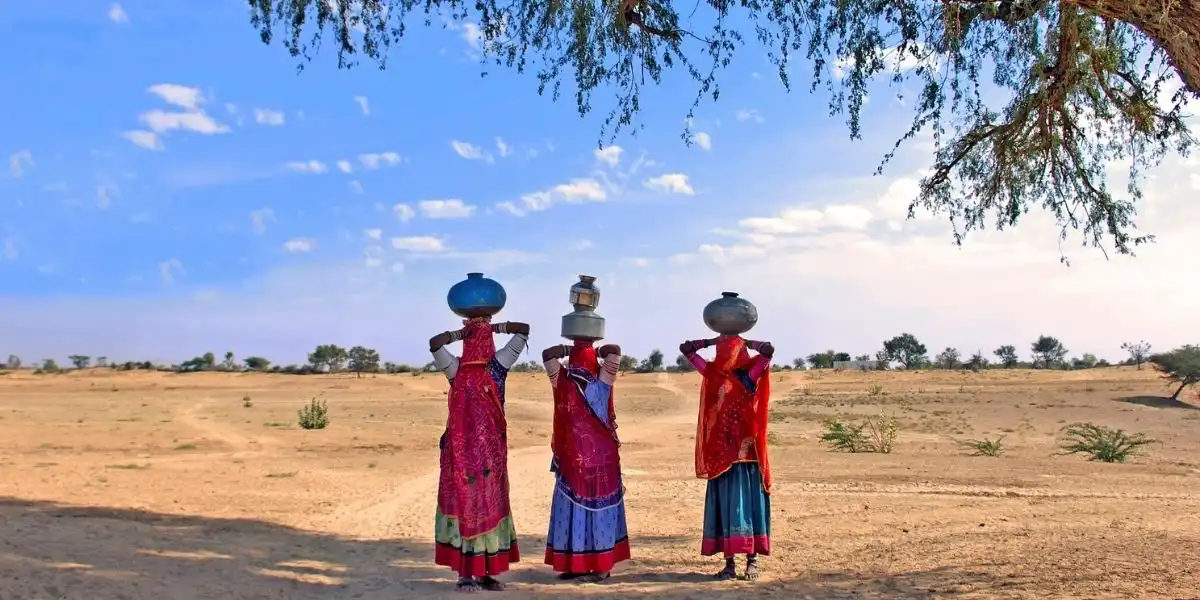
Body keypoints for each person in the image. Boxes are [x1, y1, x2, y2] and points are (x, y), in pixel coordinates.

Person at [429, 317, 530, 593]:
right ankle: (465, 574)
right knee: (468, 507)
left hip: (489, 454)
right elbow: (434, 343)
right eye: (478, 334)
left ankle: (485, 573)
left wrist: (481, 327)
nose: (480, 337)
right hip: (463, 455)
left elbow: (524, 329)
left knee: (488, 506)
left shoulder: (494, 365)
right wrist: (466, 330)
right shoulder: (461, 367)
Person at [679, 335, 775, 581]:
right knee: (726, 507)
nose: (727, 354)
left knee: (747, 506)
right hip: (722, 455)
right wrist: (713, 339)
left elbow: (767, 353)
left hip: (746, 455)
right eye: (724, 350)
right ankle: (730, 564)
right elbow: (686, 350)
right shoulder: (711, 373)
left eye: (730, 349)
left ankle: (752, 561)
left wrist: (745, 341)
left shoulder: (748, 375)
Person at [541, 340, 630, 583]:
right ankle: (587, 565)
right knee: (591, 511)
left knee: (577, 511)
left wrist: (573, 348)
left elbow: (547, 354)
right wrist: (589, 347)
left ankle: (593, 565)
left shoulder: (563, 380)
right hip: (589, 460)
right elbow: (615, 351)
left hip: (583, 461)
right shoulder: (602, 382)